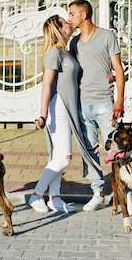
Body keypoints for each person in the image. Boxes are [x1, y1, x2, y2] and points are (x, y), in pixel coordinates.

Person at [28, 14, 101, 213]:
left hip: (67, 108)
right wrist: (43, 114)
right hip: (57, 106)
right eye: (65, 22)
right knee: (65, 157)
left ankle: (55, 197)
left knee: (59, 155)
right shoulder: (54, 53)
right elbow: (47, 85)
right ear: (60, 29)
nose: (69, 23)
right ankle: (36, 194)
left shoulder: (66, 52)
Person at [67, 0, 126, 212]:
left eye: (72, 14)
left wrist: (119, 101)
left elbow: (118, 69)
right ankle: (98, 192)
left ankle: (125, 193)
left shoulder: (107, 36)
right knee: (90, 151)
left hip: (105, 104)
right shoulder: (73, 43)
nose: (69, 18)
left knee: (118, 150)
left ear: (84, 15)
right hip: (83, 105)